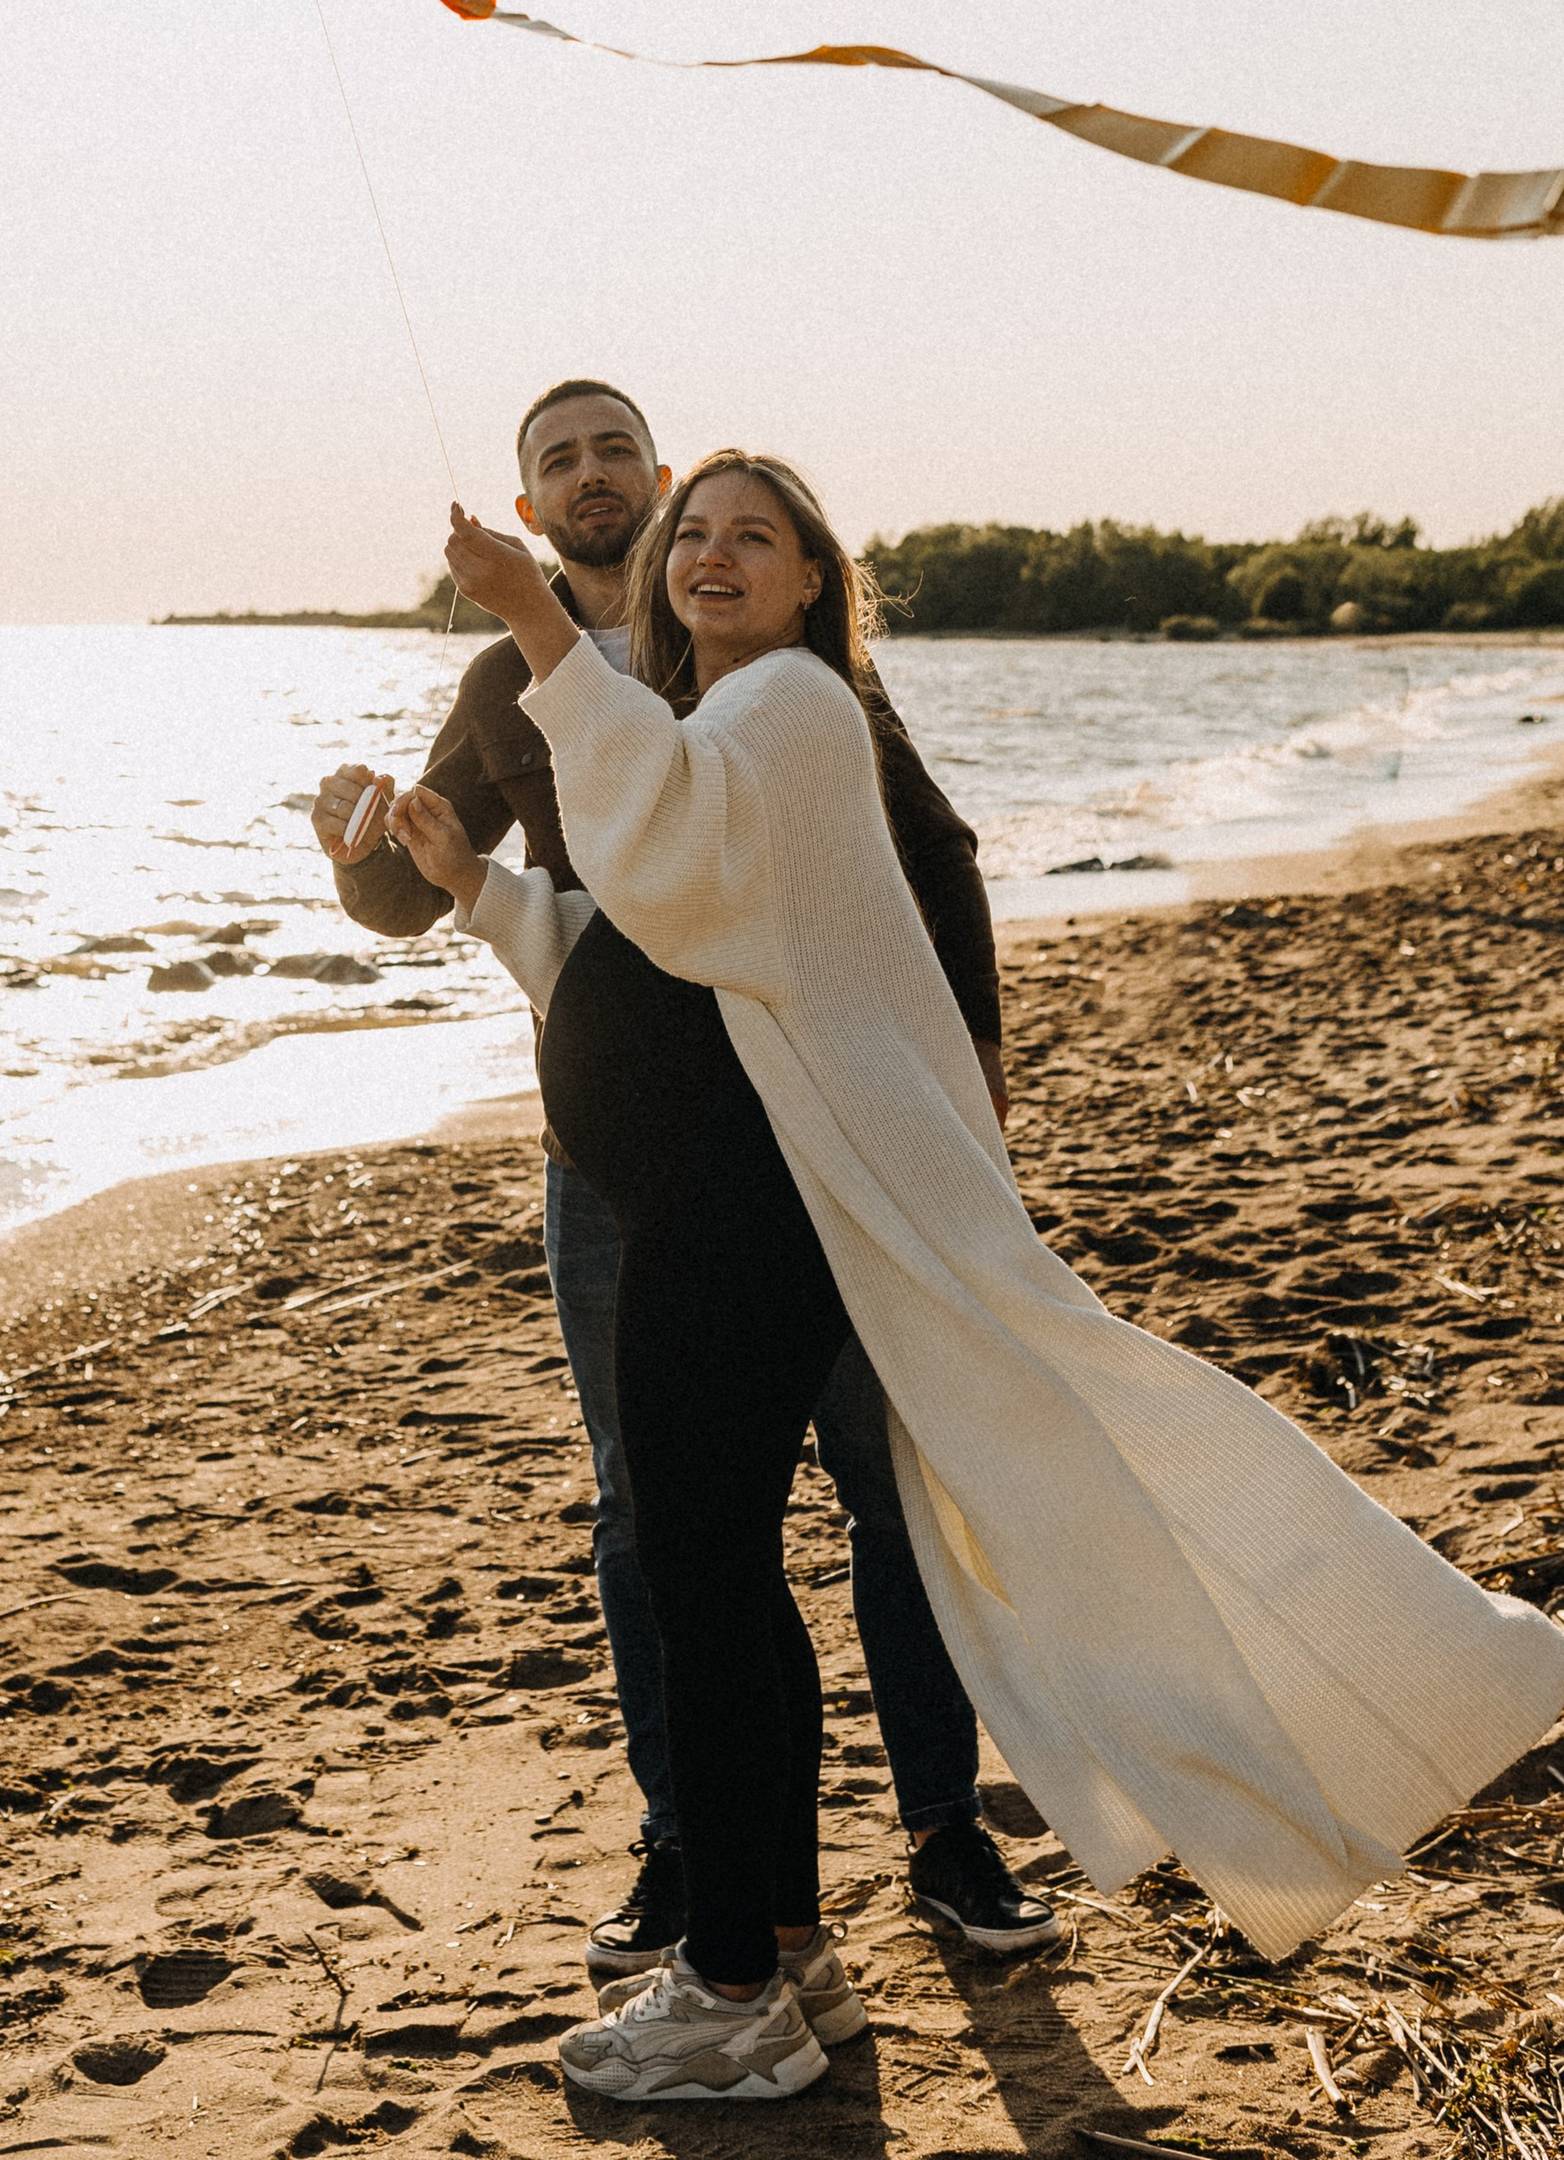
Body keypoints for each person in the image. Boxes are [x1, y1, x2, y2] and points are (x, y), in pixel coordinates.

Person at [398, 452, 1564, 2108]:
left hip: (747, 1214)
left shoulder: (792, 709)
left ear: (816, 584)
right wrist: (478, 890)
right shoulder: (725, 730)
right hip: (715, 1200)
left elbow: (669, 862)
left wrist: (533, 629)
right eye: (695, 539)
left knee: (707, 1584)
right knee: (715, 1577)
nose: (713, 556)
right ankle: (777, 1944)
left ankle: (734, 1987)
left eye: (756, 537)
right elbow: (664, 950)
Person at [315, 380, 1057, 1975]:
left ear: (655, 480)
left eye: (613, 454)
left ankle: (942, 1831)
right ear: (528, 507)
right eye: (555, 462)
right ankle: (693, 1854)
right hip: (616, 1159)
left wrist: (973, 1085)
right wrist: (364, 849)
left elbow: (929, 866)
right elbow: (425, 894)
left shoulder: (774, 680)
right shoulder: (513, 680)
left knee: (880, 1483)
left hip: (798, 1142)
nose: (592, 480)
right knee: (660, 1523)